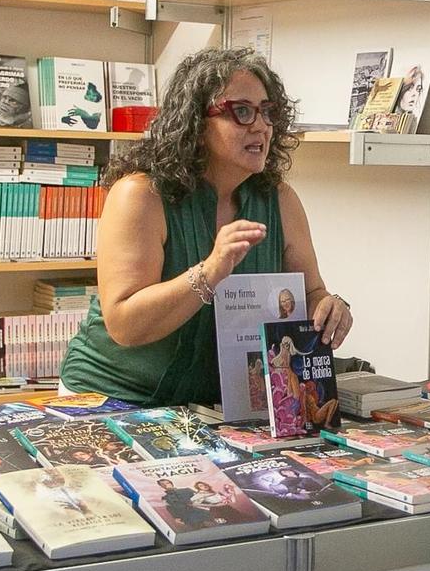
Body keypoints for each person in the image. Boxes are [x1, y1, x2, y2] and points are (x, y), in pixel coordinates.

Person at [56, 48, 352, 401]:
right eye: (241, 112)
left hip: (215, 404)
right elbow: (124, 324)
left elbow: (311, 293)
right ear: (195, 124)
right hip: (114, 395)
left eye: (267, 112)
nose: (260, 126)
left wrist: (332, 307)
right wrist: (210, 272)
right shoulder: (139, 195)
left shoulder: (281, 201)